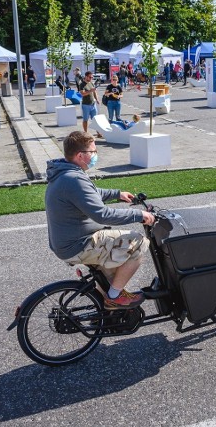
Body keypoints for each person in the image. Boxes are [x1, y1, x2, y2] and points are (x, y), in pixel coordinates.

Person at [45, 131, 156, 308]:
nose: (96, 155)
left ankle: (107, 306)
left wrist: (117, 194)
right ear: (81, 155)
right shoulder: (74, 179)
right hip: (78, 244)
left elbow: (91, 193)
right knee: (139, 242)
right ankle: (113, 297)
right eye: (93, 152)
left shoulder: (65, 172)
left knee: (111, 272)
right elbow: (102, 214)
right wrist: (140, 215)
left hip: (67, 242)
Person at [80, 71, 101, 137]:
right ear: (86, 76)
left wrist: (97, 99)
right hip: (86, 104)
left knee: (95, 119)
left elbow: (94, 92)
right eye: (90, 77)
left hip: (93, 104)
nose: (91, 78)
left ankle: (98, 133)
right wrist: (90, 91)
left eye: (92, 77)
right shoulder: (82, 84)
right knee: (85, 119)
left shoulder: (91, 83)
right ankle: (85, 133)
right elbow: (83, 94)